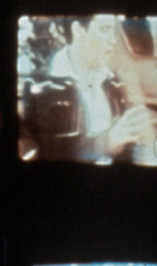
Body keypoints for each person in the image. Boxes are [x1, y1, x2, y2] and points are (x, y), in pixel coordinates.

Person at [20, 14, 155, 164]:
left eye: (113, 32)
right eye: (104, 30)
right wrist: (106, 142)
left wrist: (143, 147)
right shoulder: (41, 87)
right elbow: (50, 150)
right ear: (78, 30)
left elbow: (129, 149)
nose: (113, 40)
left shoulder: (113, 83)